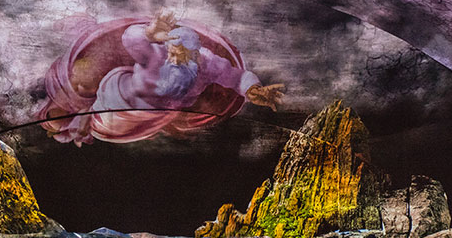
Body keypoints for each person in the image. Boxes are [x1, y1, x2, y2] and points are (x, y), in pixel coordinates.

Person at [41, 9, 284, 145]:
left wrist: (252, 89)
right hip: (119, 91)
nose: (175, 59)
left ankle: (78, 117)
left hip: (146, 113)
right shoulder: (157, 54)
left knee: (97, 118)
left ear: (196, 53)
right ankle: (73, 116)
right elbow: (131, 39)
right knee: (89, 103)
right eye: (173, 52)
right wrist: (149, 32)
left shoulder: (208, 65)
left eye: (182, 55)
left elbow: (235, 76)